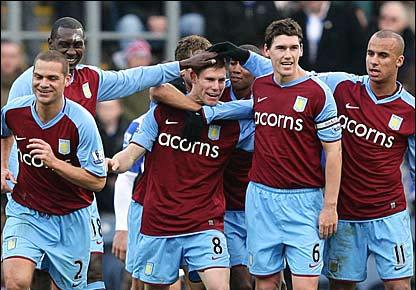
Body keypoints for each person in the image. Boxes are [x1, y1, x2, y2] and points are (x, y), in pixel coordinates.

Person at [6, 16, 216, 290]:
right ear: (50, 44)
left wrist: (182, 66)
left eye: (77, 44)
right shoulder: (29, 83)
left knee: (87, 280)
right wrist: (10, 178)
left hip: (77, 203)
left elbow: (135, 77)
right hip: (34, 201)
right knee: (20, 279)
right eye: (64, 44)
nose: (71, 51)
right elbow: (10, 128)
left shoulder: (90, 80)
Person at [214, 29, 415, 290]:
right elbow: (291, 70)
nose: (374, 61)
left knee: (399, 285)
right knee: (340, 285)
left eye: (383, 56)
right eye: (370, 53)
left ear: (399, 61)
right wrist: (244, 57)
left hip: (388, 214)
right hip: (344, 214)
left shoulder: (409, 110)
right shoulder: (341, 85)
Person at [156, 18, 342, 290]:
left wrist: (330, 206)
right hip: (260, 199)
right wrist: (203, 111)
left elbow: (334, 152)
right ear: (268, 50)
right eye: (280, 48)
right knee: (263, 283)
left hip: (303, 200)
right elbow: (241, 104)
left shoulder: (318, 92)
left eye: (293, 47)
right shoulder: (262, 86)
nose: (287, 55)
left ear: (301, 49)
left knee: (304, 284)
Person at [107, 55, 254, 290]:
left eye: (221, 81)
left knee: (219, 287)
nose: (216, 87)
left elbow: (267, 112)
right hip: (159, 223)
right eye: (210, 80)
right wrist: (112, 164)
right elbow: (132, 154)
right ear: (192, 77)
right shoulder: (160, 114)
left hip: (204, 223)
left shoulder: (232, 124)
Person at [112, 34, 213, 290]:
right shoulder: (147, 121)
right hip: (150, 210)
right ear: (186, 71)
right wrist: (122, 226)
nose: (210, 77)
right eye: (201, 66)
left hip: (200, 211)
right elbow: (127, 176)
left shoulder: (220, 112)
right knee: (140, 282)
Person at [1, 50, 107, 290]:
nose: (43, 84)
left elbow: (98, 181)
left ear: (66, 80)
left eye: (51, 78)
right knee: (15, 281)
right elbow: (4, 130)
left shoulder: (82, 122)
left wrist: (54, 162)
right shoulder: (15, 110)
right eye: (38, 77)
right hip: (26, 211)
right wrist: (3, 165)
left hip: (70, 218)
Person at [1, 40, 27, 107]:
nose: (7, 60)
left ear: (20, 59)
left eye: (12, 56)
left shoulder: (28, 82)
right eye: (3, 56)